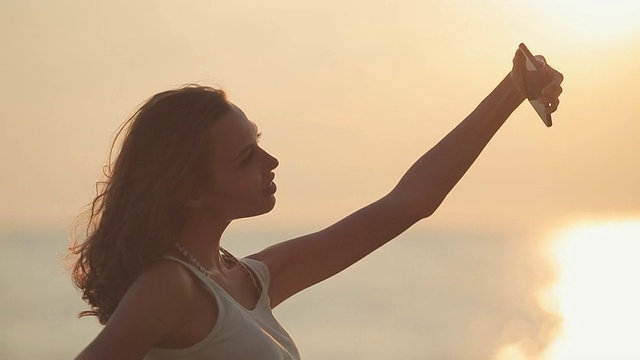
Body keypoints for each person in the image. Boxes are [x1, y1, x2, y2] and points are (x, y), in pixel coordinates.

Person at [68, 47, 563, 359]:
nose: (272, 160)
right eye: (247, 157)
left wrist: (512, 90)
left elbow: (409, 203)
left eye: (259, 142)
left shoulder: (248, 278)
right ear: (191, 188)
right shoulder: (170, 286)